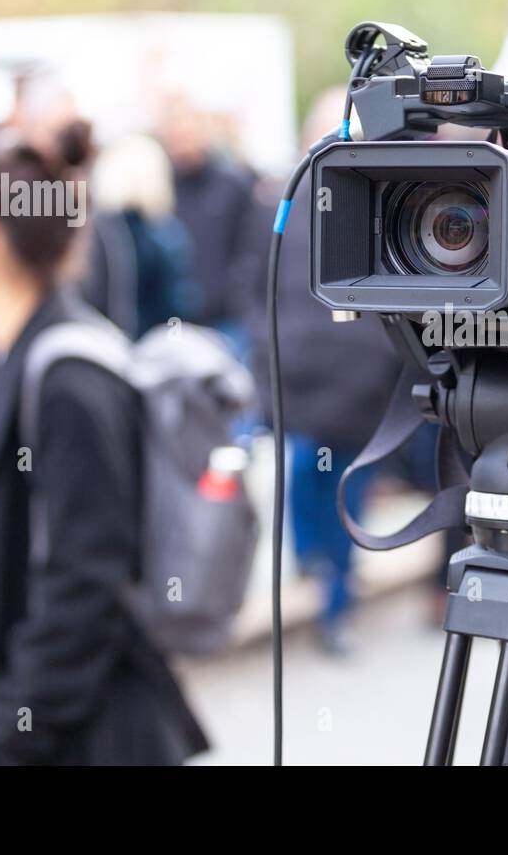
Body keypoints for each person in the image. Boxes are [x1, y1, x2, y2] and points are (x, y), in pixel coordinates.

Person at [0, 143, 208, 764]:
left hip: (55, 743)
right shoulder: (1, 352)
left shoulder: (70, 379)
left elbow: (85, 588)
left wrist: (2, 732)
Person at [252, 89, 400, 655]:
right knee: (305, 480)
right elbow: (254, 282)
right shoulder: (279, 205)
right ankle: (317, 579)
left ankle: (335, 599)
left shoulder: (386, 205)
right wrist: (267, 349)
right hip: (299, 375)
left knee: (347, 489)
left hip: (359, 380)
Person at [159, 97, 265, 358]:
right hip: (176, 323)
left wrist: (241, 300)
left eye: (187, 133)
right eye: (175, 136)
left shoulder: (232, 185)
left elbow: (252, 249)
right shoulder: (160, 189)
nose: (182, 142)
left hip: (228, 321)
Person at [82, 133, 200, 338]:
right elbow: (180, 306)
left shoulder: (94, 235)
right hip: (154, 349)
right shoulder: (166, 235)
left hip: (108, 347)